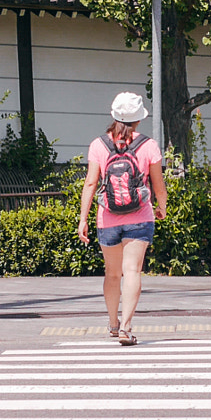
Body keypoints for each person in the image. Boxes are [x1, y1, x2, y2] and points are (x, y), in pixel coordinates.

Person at [76, 91, 167, 346]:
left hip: (108, 217)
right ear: (139, 119)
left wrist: (83, 218)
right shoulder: (148, 145)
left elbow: (91, 182)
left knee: (112, 274)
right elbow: (158, 184)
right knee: (132, 271)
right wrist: (161, 207)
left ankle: (113, 324)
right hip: (140, 217)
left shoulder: (99, 145)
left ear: (114, 115)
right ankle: (127, 327)